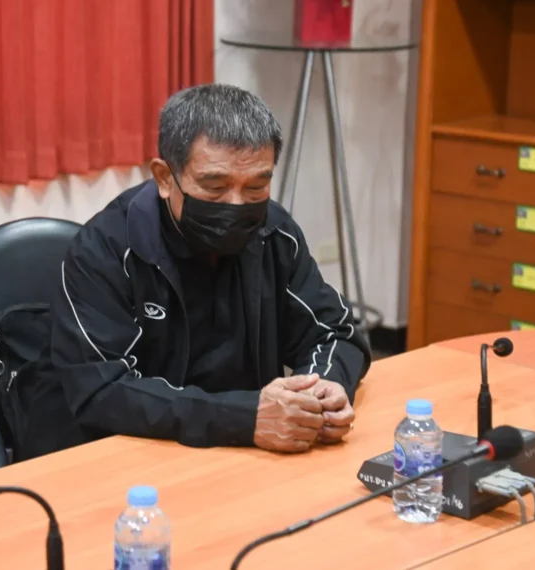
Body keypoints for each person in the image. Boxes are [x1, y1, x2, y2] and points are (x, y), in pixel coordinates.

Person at [21, 84, 371, 459]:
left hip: (238, 452)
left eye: (256, 186)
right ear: (164, 178)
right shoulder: (105, 249)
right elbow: (102, 391)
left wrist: (323, 389)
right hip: (114, 454)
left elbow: (335, 331)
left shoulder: (273, 234)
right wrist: (243, 418)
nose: (236, 205)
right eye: (214, 186)